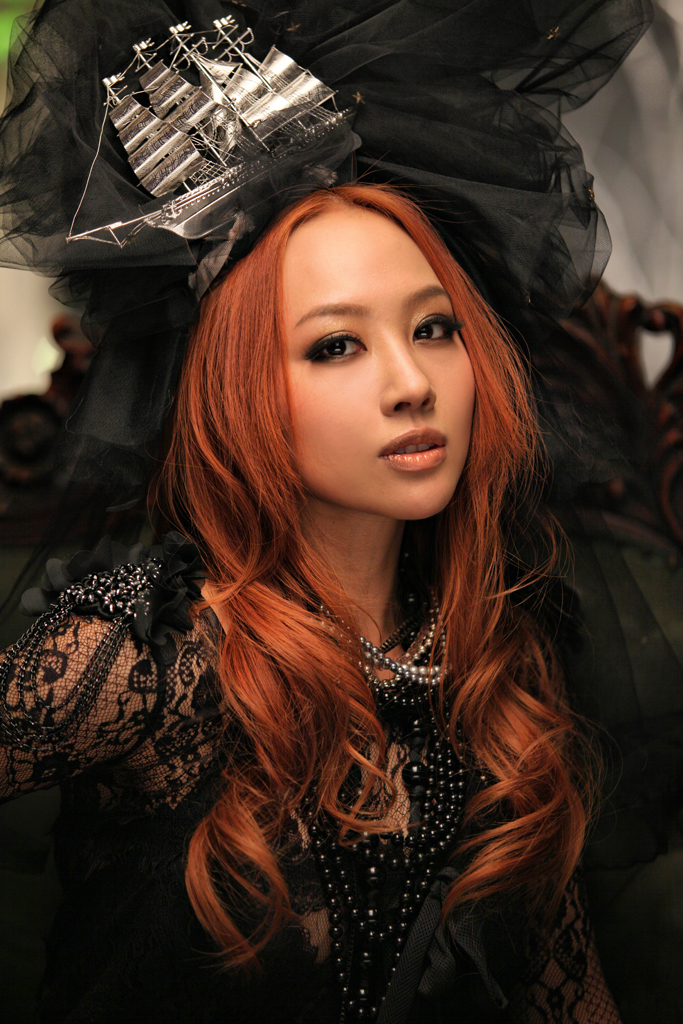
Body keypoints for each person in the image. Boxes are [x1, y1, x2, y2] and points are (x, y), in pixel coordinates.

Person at [0, 2, 662, 1022]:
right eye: (335, 345)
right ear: (241, 390)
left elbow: (565, 990)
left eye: (434, 328)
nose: (411, 383)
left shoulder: (496, 660)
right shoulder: (142, 656)